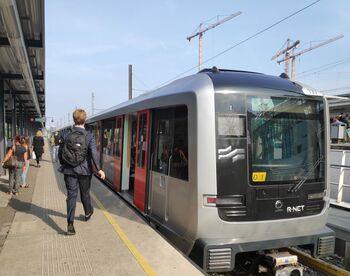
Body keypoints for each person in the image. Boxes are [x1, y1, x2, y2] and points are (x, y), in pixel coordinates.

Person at [59, 108, 105, 235]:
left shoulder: (66, 134)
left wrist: (64, 165)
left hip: (69, 170)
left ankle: (70, 225)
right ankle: (87, 212)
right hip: (85, 170)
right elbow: (94, 154)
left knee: (71, 196)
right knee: (85, 193)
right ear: (85, 120)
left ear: (74, 120)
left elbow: (60, 152)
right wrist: (99, 169)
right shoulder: (89, 135)